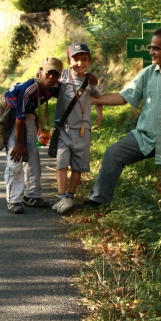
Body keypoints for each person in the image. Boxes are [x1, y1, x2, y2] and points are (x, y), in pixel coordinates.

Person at [87, 28, 161, 229]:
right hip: (144, 137)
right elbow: (124, 97)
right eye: (150, 47)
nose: (150, 52)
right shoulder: (148, 73)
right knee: (113, 153)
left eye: (155, 48)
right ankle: (99, 200)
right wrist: (93, 100)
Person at [4, 57, 63, 214]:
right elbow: (18, 118)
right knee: (15, 157)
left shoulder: (54, 87)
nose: (51, 77)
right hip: (10, 115)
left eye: (55, 75)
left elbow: (73, 87)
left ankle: (32, 196)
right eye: (48, 73)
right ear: (39, 73)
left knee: (32, 154)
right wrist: (18, 143)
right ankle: (14, 200)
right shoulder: (28, 89)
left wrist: (89, 80)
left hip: (27, 115)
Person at [52, 43, 103, 215]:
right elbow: (48, 85)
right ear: (68, 61)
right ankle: (61, 198)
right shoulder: (62, 78)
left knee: (78, 166)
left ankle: (70, 196)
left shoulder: (90, 81)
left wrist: (99, 114)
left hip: (83, 129)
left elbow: (98, 97)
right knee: (61, 163)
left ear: (89, 61)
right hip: (63, 129)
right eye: (76, 59)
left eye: (84, 59)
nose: (80, 63)